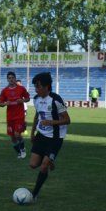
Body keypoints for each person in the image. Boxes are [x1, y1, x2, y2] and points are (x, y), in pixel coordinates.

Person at [28, 72, 70, 200]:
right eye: (35, 86)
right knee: (33, 164)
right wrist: (32, 132)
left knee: (44, 165)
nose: (36, 89)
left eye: (38, 86)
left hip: (55, 138)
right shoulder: (36, 99)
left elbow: (67, 120)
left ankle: (34, 194)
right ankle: (49, 159)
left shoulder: (56, 100)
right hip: (41, 135)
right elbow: (37, 116)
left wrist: (51, 122)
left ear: (47, 87)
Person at [0, 71, 30, 159]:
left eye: (13, 78)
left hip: (19, 116)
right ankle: (19, 152)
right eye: (9, 78)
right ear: (7, 79)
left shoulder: (21, 89)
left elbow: (28, 98)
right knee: (12, 137)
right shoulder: (4, 91)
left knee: (17, 134)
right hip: (10, 117)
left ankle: (23, 149)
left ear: (15, 79)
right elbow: (0, 104)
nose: (11, 79)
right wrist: (5, 103)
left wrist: (22, 100)